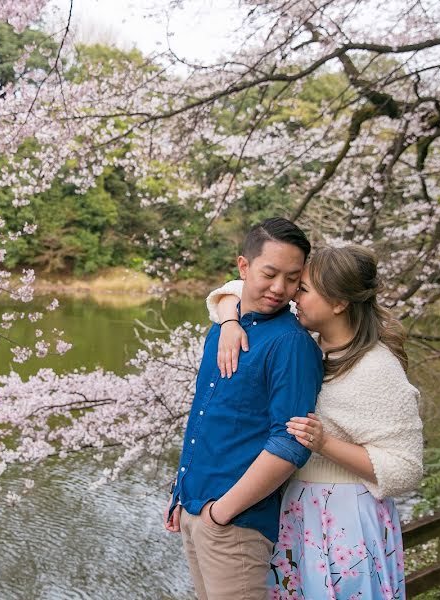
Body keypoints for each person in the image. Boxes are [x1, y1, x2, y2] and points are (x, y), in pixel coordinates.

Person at [205, 244, 423, 599]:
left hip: (344, 521)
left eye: (302, 288)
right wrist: (230, 320)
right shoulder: (309, 345)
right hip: (296, 511)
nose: (291, 296)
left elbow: (407, 468)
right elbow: (234, 287)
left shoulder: (377, 367)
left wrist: (325, 444)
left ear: (339, 303)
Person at [165, 218, 324, 600]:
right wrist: (180, 492)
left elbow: (291, 442)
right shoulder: (222, 329)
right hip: (195, 508)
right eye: (269, 273)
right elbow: (204, 415)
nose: (279, 288)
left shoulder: (291, 344)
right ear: (243, 267)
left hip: (235, 524)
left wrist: (221, 513)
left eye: (292, 279)